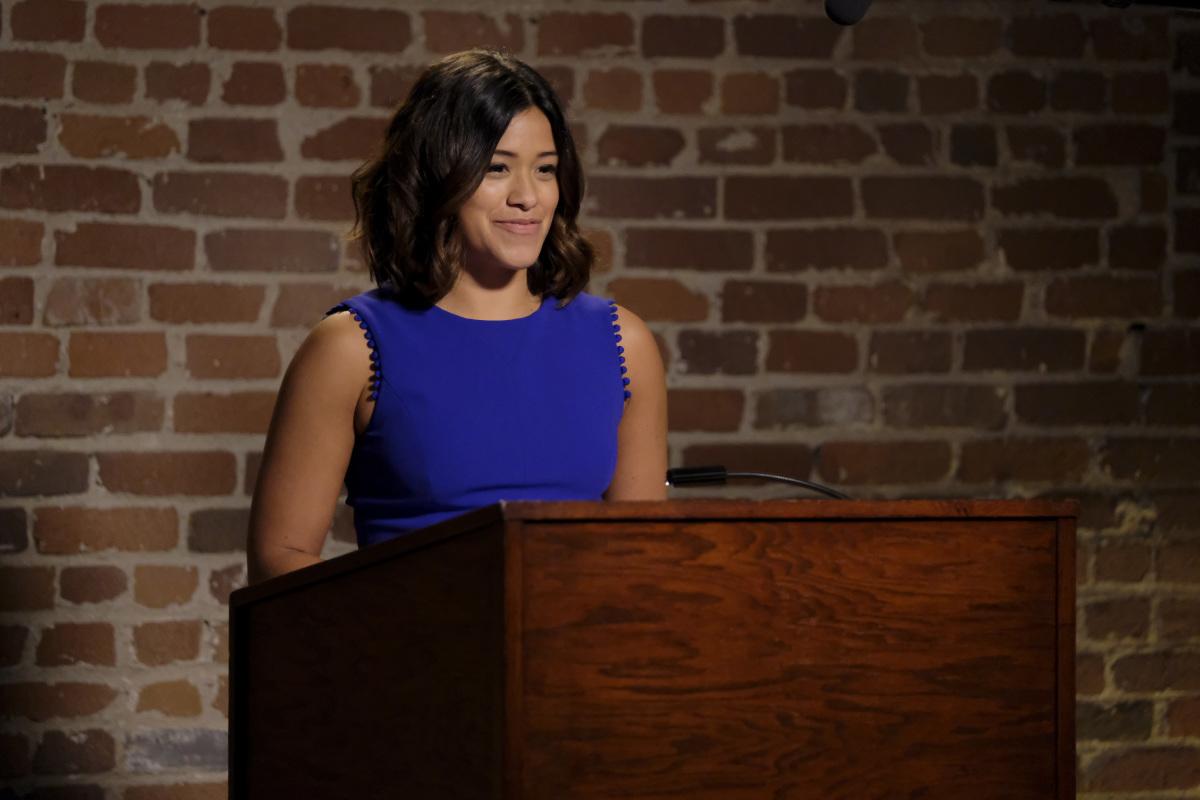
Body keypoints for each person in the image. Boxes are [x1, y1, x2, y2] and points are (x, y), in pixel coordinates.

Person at [247, 49, 668, 583]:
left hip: (577, 636)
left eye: (544, 169)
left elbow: (643, 562)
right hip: (412, 635)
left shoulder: (622, 342)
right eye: (497, 168)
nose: (527, 197)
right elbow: (279, 559)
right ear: (437, 176)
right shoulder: (350, 347)